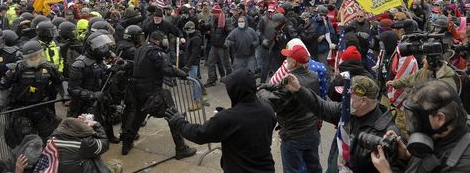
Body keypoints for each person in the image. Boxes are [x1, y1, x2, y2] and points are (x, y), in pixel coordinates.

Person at [165, 68, 277, 173]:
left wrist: (180, 123)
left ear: (235, 90)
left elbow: (199, 134)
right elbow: (249, 125)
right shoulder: (267, 110)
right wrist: (227, 118)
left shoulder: (228, 118)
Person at [285, 74, 401, 173]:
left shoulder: (387, 133)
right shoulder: (347, 110)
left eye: (349, 97)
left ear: (364, 101)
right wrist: (299, 90)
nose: (344, 100)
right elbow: (322, 107)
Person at [371, 80, 470, 173]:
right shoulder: (464, 122)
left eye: (418, 116)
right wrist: (407, 156)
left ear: (439, 118)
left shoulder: (466, 167)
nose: (412, 121)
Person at [121, 30, 196, 159]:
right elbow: (166, 68)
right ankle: (181, 148)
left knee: (138, 117)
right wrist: (181, 73)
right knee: (173, 115)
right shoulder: (156, 52)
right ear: (157, 40)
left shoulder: (140, 49)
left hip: (137, 90)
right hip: (152, 91)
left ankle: (126, 145)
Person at [258, 43, 322, 173]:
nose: (286, 60)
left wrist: (260, 90)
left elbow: (272, 102)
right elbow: (282, 89)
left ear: (293, 64)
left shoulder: (290, 81)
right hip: (311, 130)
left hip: (294, 134)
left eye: (288, 59)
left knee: (292, 170)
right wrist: (268, 86)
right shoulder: (313, 76)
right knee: (314, 168)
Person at [0, 41, 62, 148]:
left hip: (41, 108)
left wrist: (65, 95)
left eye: (37, 55)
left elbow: (60, 82)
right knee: (25, 141)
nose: (35, 59)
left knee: (48, 136)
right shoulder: (16, 68)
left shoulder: (49, 68)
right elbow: (2, 86)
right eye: (31, 57)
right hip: (21, 110)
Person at [67, 32, 120, 143]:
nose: (103, 48)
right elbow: (72, 89)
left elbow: (100, 78)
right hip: (85, 103)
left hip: (102, 97)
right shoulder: (79, 65)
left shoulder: (99, 61)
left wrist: (110, 71)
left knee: (107, 118)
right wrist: (91, 95)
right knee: (87, 126)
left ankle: (109, 136)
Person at [205, 5, 232, 87]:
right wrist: (203, 25)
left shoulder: (226, 21)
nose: (213, 15)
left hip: (222, 47)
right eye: (213, 13)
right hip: (214, 45)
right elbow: (209, 25)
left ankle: (230, 79)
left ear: (219, 13)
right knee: (210, 62)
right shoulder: (213, 19)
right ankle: (212, 79)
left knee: (226, 64)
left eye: (215, 13)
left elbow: (230, 33)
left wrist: (226, 43)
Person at [182, 21, 204, 111]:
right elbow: (189, 49)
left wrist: (187, 65)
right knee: (195, 80)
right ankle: (203, 92)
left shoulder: (196, 39)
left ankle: (197, 102)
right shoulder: (191, 36)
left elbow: (194, 53)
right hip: (190, 62)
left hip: (193, 63)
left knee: (194, 82)